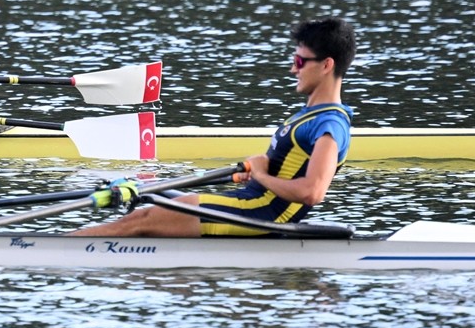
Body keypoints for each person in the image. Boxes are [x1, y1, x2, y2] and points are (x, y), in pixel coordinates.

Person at [71, 17, 356, 237]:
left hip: (261, 213)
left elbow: (312, 192)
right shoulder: (310, 115)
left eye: (299, 61)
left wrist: (261, 174)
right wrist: (261, 172)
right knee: (144, 215)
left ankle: (51, 252)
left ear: (326, 65)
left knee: (139, 220)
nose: (294, 69)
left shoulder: (330, 123)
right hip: (250, 202)